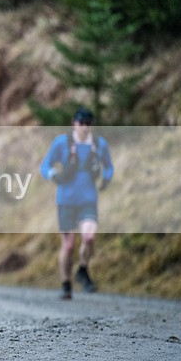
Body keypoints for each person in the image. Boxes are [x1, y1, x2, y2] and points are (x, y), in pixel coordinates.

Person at [40, 107, 114, 299]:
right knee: (69, 245)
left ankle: (82, 269)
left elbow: (109, 166)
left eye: (88, 124)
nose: (84, 128)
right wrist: (53, 175)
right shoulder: (62, 143)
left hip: (88, 198)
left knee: (89, 238)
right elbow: (45, 165)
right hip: (66, 200)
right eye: (81, 123)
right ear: (74, 123)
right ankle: (66, 284)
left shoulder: (99, 144)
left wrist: (106, 178)